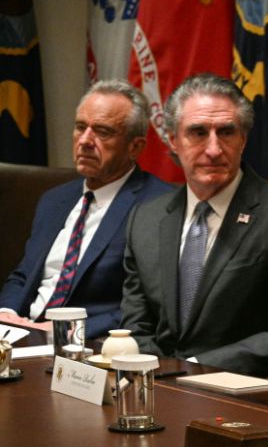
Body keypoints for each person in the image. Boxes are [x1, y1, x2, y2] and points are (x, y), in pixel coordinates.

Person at [121, 73, 268, 376]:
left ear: (243, 139)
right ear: (173, 140)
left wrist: (191, 369)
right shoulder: (146, 219)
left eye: (227, 132)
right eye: (198, 132)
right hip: (156, 383)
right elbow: (137, 323)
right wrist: (160, 373)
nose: (214, 149)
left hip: (238, 389)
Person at [0, 81, 172, 339]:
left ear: (135, 147)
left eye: (102, 132)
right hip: (22, 333)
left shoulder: (160, 205)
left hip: (87, 343)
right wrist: (7, 313)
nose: (85, 141)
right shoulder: (54, 199)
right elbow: (24, 275)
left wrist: (67, 330)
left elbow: (149, 304)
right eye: (80, 127)